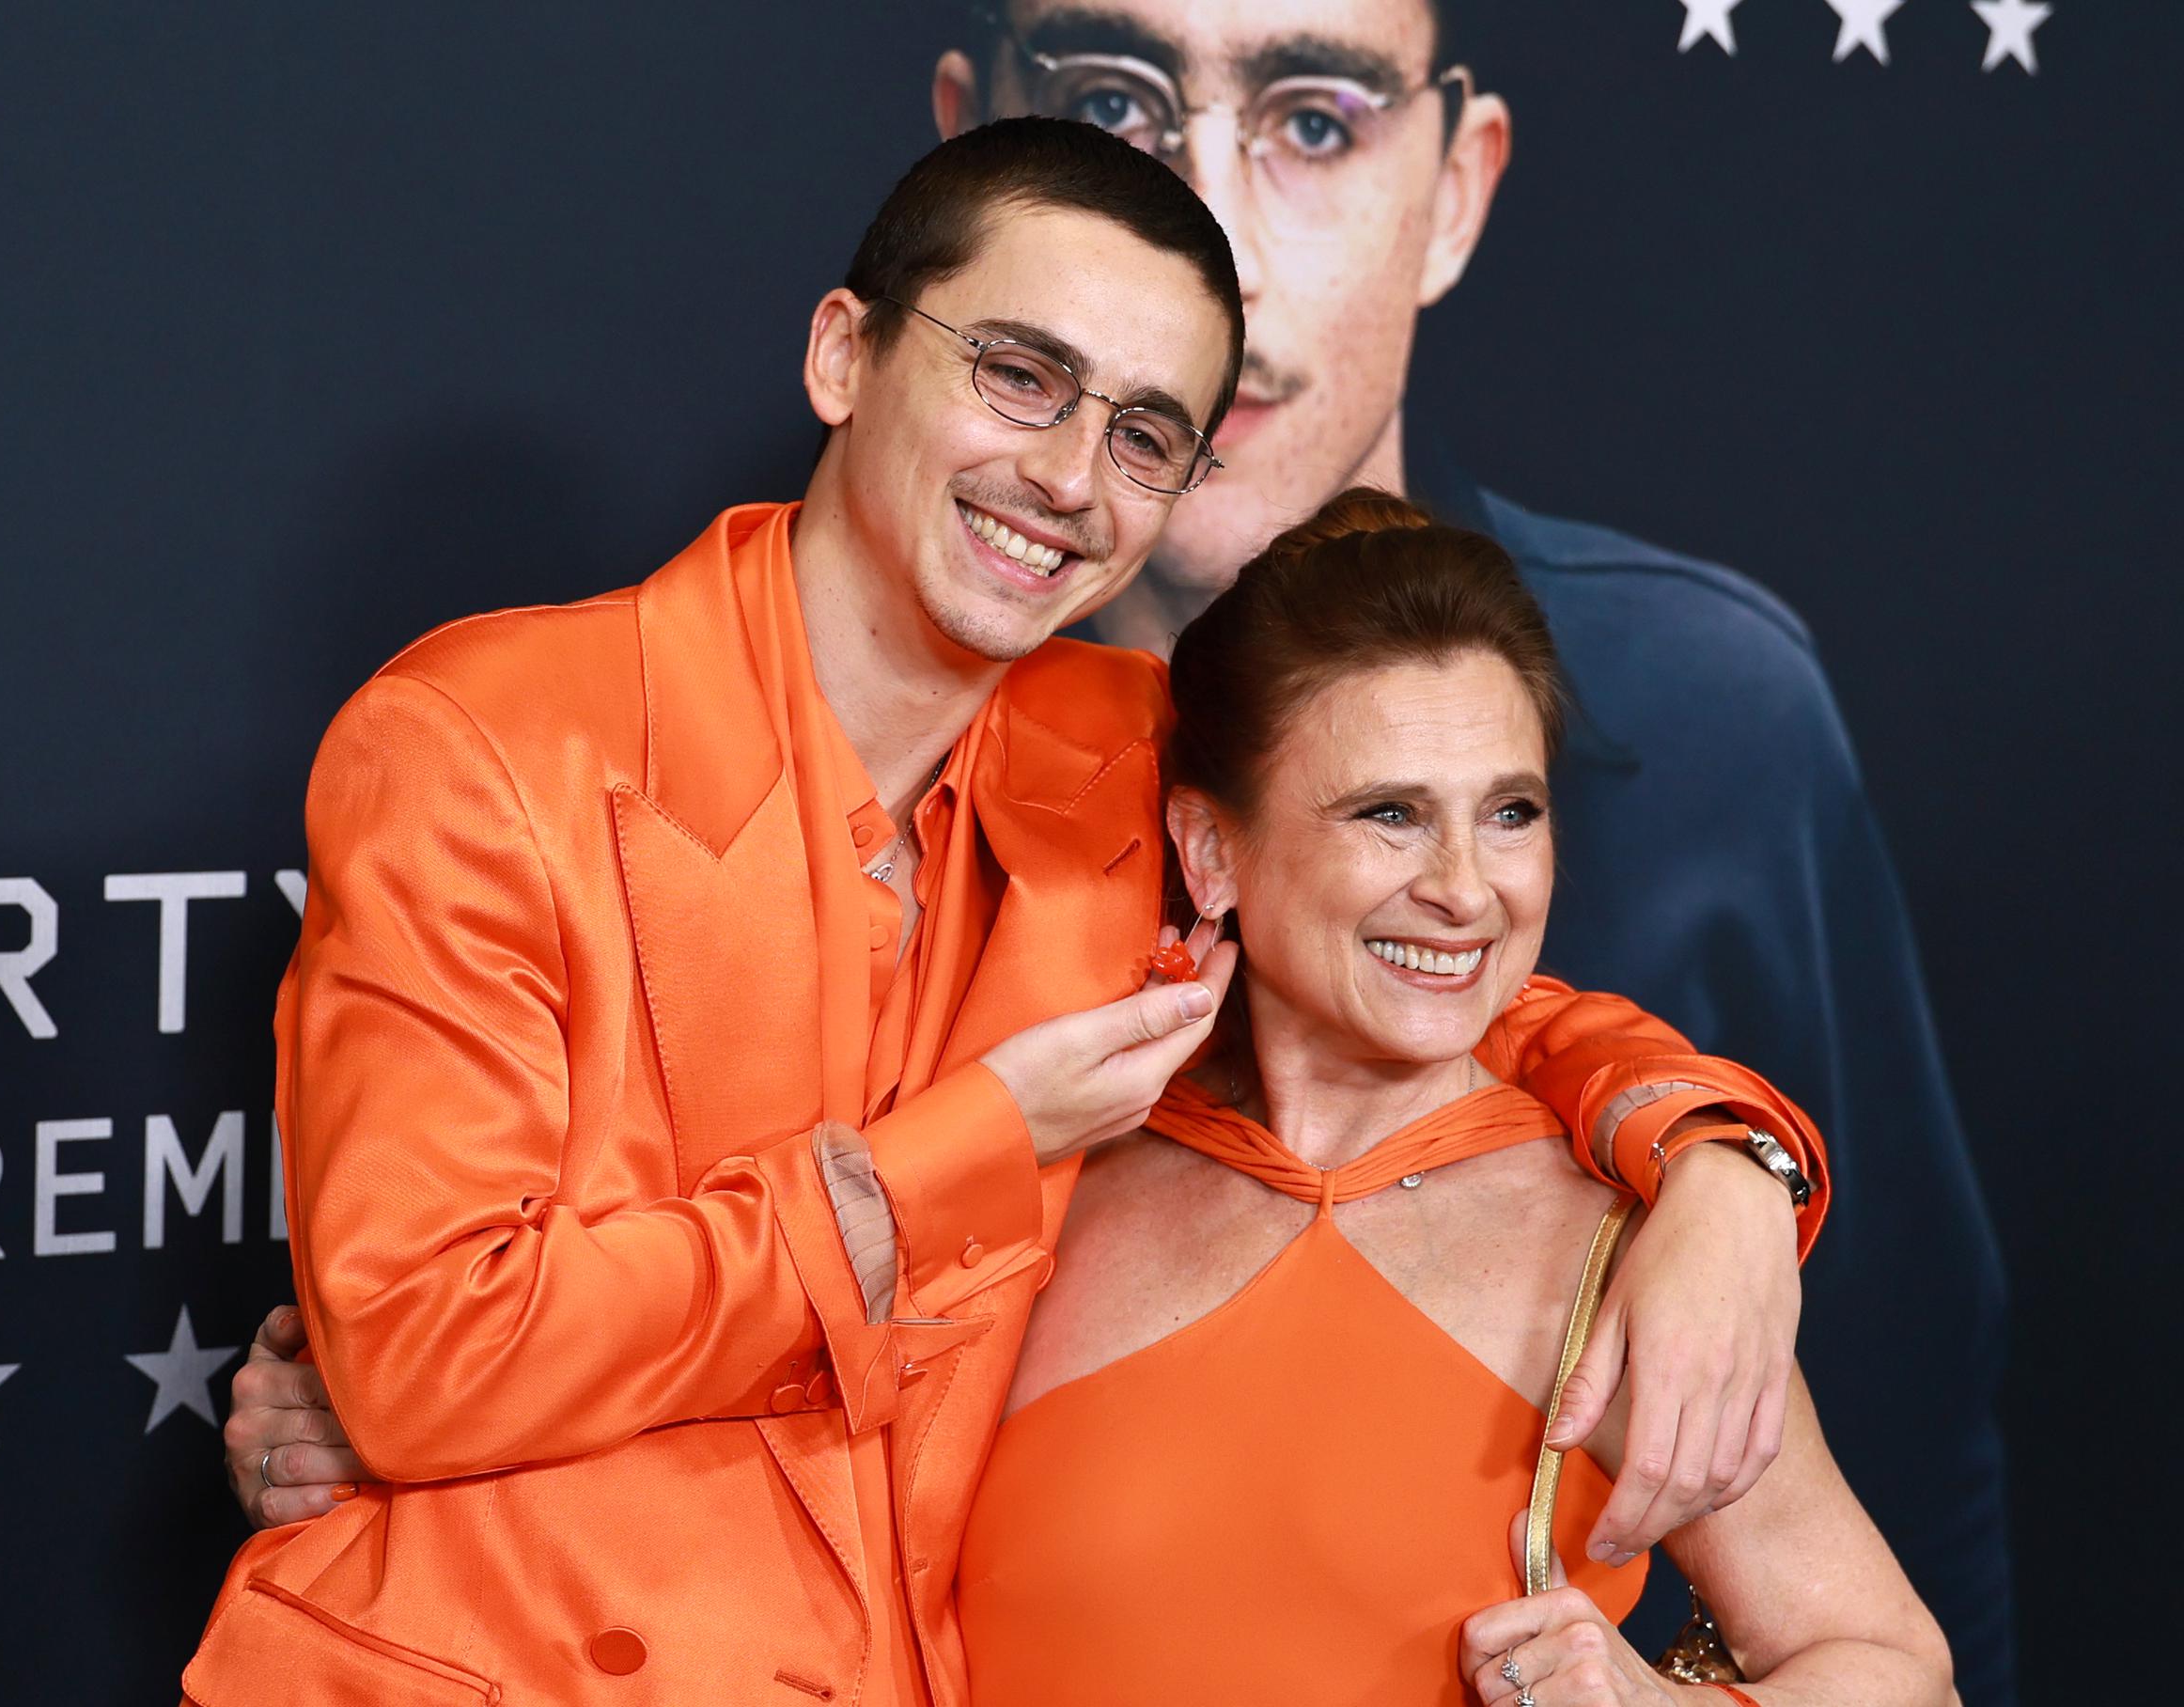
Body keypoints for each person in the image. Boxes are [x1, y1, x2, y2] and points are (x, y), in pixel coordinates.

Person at [195, 120, 1825, 1705]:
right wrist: (958, 1156)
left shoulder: (1130, 756)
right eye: (1020, 374)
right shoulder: (484, 743)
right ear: (844, 355)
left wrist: (1719, 1168)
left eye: (1145, 435)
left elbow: (1414, 958)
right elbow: (427, 1361)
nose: (1065, 477)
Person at [932, 1, 2012, 1693]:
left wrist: (1725, 1172)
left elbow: (1910, 1589)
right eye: (1112, 104)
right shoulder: (1023, 1137)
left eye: (1313, 120)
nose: (1467, 883)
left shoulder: (1612, 1215)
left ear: (1457, 183)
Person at [956, 491, 1955, 1706]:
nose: (1468, 891)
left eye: (1510, 813)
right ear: (1212, 850)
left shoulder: (1629, 1252)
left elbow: (1898, 1672)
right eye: (1391, 815)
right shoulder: (1059, 1179)